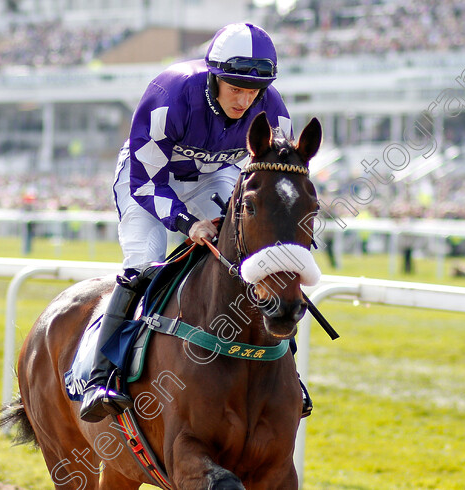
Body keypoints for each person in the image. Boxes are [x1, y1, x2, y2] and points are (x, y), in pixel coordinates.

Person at [79, 23, 310, 423]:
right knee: (143, 265)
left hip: (214, 176)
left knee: (248, 260)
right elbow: (143, 182)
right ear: (214, 76)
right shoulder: (171, 95)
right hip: (151, 178)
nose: (244, 99)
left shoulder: (273, 110)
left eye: (253, 91)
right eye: (235, 88)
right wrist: (188, 223)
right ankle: (103, 377)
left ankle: (288, 375)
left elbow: (277, 177)